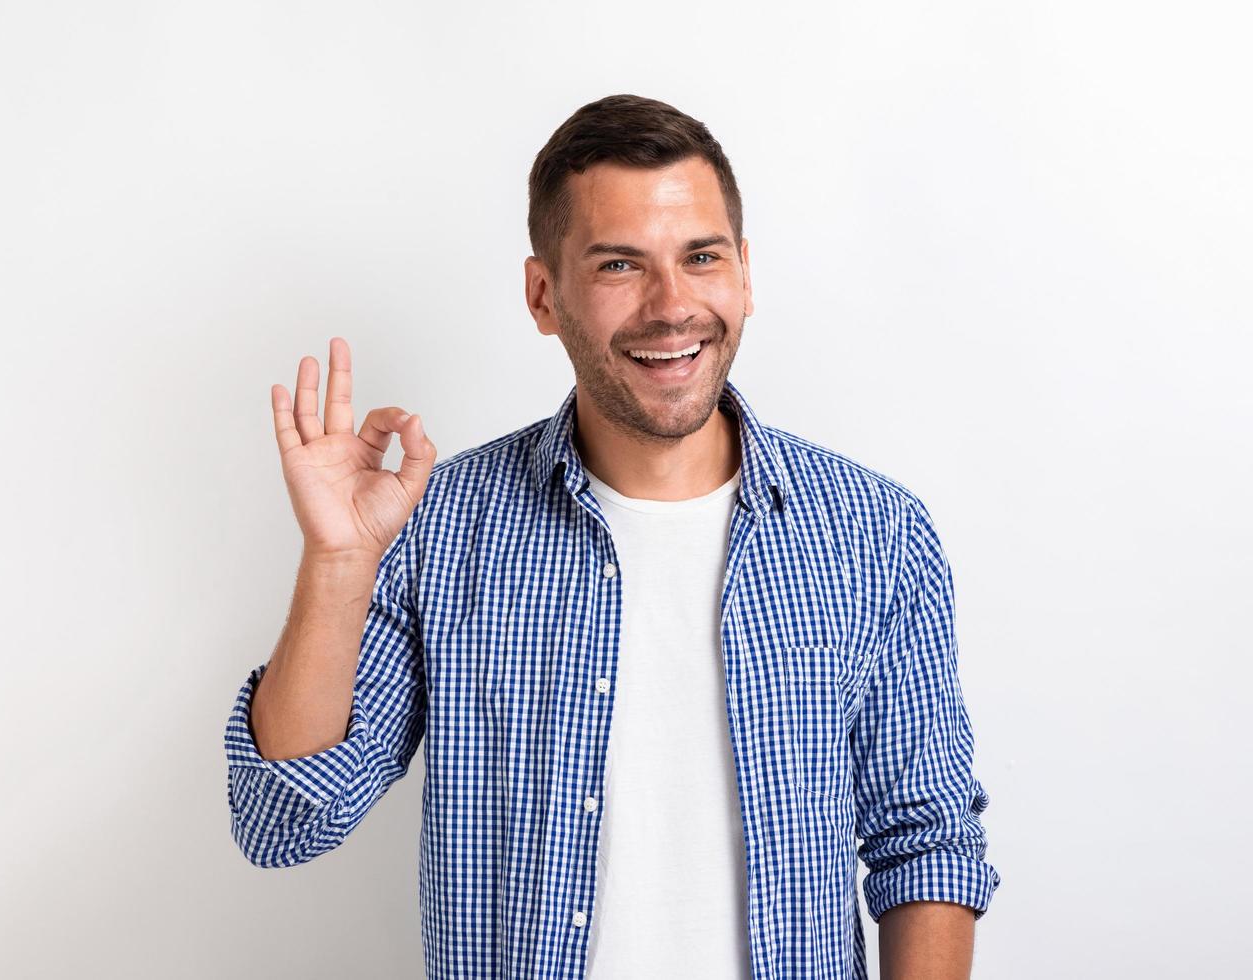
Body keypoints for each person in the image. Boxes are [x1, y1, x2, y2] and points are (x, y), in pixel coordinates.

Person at [224, 93, 1001, 979]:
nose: (672, 307)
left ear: (743, 274)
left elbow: (927, 838)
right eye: (620, 265)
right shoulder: (438, 526)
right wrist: (336, 561)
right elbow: (283, 822)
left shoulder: (873, 533)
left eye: (700, 257)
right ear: (543, 294)